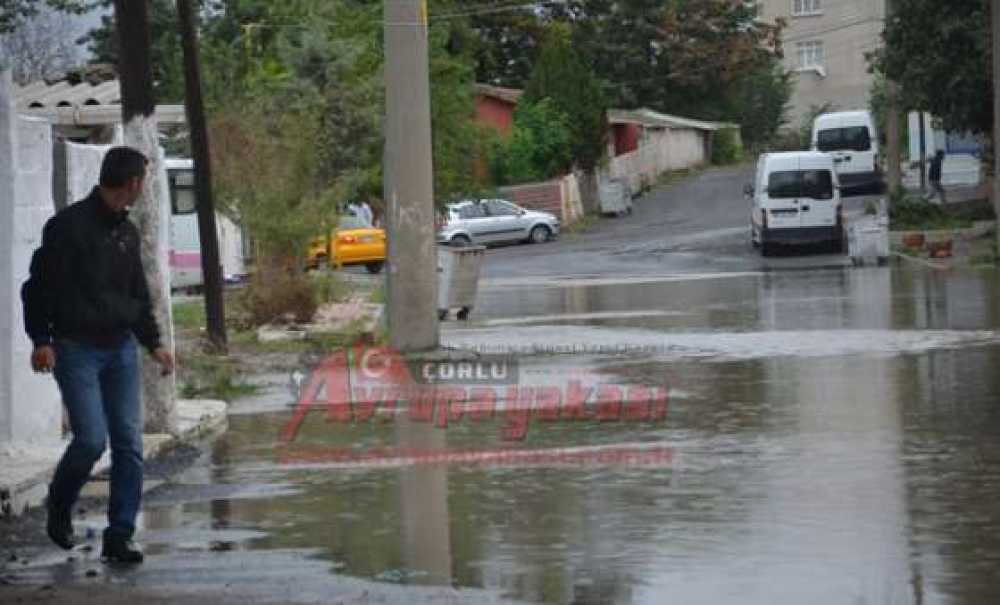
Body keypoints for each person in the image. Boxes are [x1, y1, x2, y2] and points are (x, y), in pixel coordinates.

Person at [20, 146, 174, 564]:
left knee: (129, 444)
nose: (143, 188)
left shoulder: (127, 232)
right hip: (76, 349)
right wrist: (41, 340)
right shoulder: (67, 228)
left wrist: (154, 343)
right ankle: (59, 503)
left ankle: (120, 535)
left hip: (120, 348)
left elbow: (138, 295)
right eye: (143, 180)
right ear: (133, 183)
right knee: (91, 440)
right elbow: (36, 288)